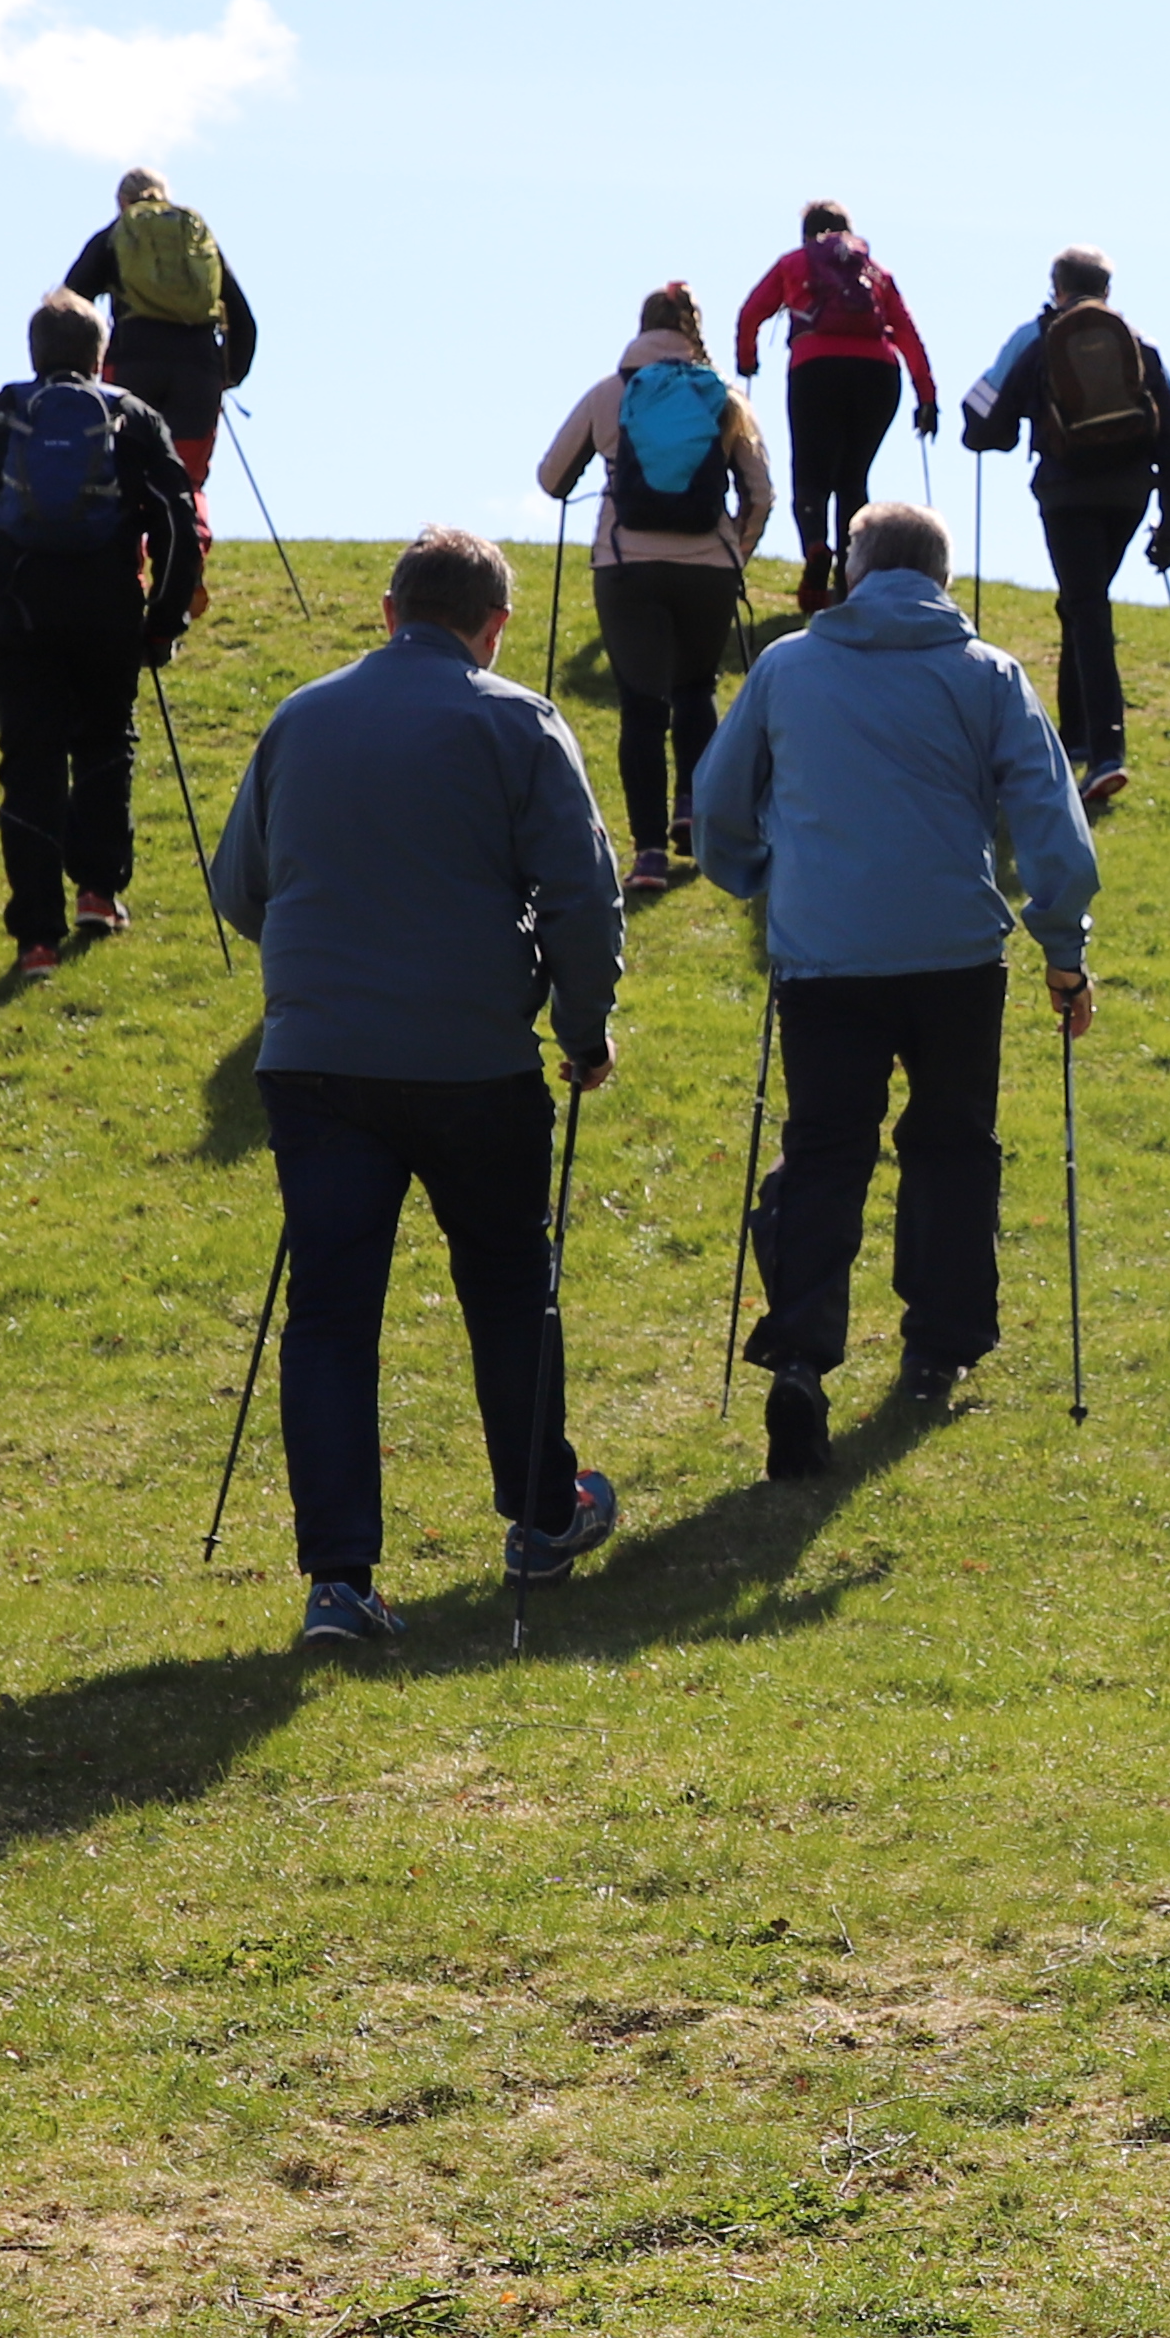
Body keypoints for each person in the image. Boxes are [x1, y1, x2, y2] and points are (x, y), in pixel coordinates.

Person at [203, 530, 629, 1650]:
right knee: (504, 1282)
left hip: (319, 1059)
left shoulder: (301, 715)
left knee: (332, 1312)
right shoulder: (518, 720)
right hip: (475, 1056)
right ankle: (541, 1513)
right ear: (492, 625)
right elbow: (583, 895)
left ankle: (339, 1581)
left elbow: (237, 887)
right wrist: (583, 1024)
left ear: (387, 609)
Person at [688, 500, 1100, 1483]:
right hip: (955, 951)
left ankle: (799, 1356)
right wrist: (1064, 947)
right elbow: (1053, 825)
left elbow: (715, 799)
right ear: (943, 578)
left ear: (855, 569)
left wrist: (755, 874)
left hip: (826, 952)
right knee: (953, 1140)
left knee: (825, 1151)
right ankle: (941, 1342)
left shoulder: (788, 664)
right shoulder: (988, 673)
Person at [0, 298, 206, 974]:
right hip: (108, 617)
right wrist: (162, 622)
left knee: (31, 765)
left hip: (19, 622)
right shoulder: (133, 419)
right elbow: (177, 525)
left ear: (33, 351)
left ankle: (36, 939)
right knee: (107, 744)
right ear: (101, 355)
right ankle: (99, 894)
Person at [535, 279, 778, 883]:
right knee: (696, 689)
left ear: (642, 328)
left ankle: (647, 854)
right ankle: (693, 812)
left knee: (642, 707)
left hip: (628, 564)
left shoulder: (610, 394)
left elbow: (552, 478)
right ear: (696, 331)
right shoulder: (723, 396)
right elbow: (762, 493)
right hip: (708, 569)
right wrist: (734, 550)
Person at [954, 246, 1170, 812]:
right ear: (1108, 288)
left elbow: (987, 426)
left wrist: (980, 432)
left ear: (1056, 285)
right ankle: (1075, 743)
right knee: (1081, 605)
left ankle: (1106, 750)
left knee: (1086, 606)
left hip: (1067, 494)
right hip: (1130, 495)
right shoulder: (1139, 344)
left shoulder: (1038, 336)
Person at [736, 201, 936, 621]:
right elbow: (906, 331)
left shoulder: (794, 263)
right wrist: (926, 397)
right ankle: (849, 580)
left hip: (816, 368)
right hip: (879, 374)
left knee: (810, 474)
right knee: (853, 479)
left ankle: (815, 547)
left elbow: (752, 311)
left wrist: (747, 358)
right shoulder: (875, 272)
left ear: (806, 235)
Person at [59, 165, 261, 491]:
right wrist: (227, 375)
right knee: (183, 482)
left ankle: (132, 543)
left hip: (132, 366)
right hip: (199, 372)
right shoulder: (196, 240)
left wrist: (72, 376)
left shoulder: (113, 237)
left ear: (121, 202)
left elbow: (65, 311)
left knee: (126, 479)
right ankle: (185, 541)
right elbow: (244, 321)